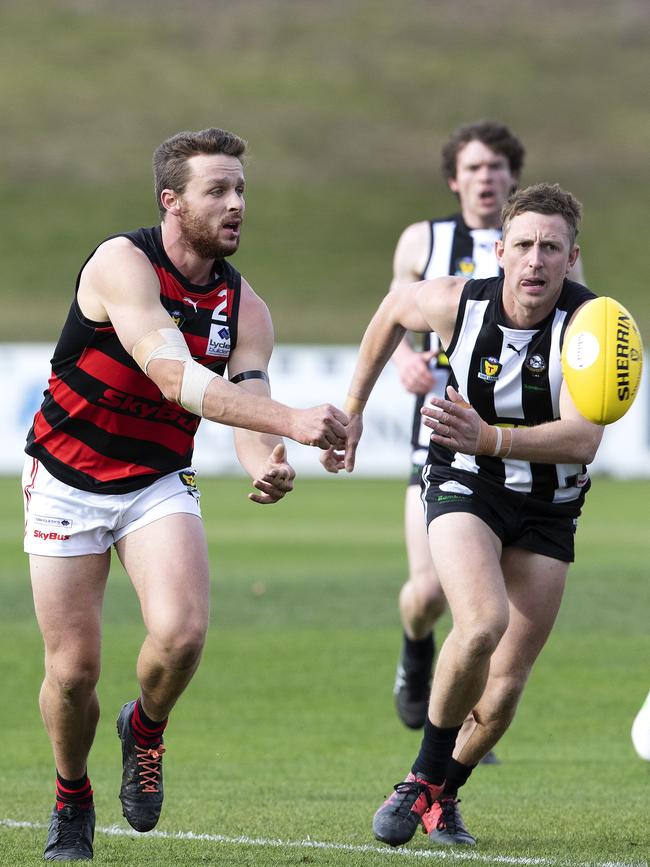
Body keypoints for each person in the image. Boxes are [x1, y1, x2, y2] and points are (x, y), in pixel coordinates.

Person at [22, 127, 348, 862]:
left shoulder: (246, 306)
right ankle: (71, 791)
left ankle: (145, 729)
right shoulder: (120, 263)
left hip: (155, 481)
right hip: (67, 475)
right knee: (72, 672)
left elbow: (244, 397)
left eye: (241, 191)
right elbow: (177, 378)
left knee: (183, 633)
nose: (236, 204)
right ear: (171, 202)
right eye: (218, 191)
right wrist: (293, 422)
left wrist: (267, 456)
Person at [322, 183, 603, 846]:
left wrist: (493, 436)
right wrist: (354, 408)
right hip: (464, 480)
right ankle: (421, 779)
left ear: (572, 257)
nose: (536, 261)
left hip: (549, 504)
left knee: (504, 687)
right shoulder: (459, 300)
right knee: (481, 623)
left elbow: (583, 437)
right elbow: (395, 306)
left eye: (551, 248)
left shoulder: (593, 329)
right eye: (525, 245)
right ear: (500, 251)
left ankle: (445, 794)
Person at [388, 121, 585, 736]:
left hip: (527, 465)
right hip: (447, 445)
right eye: (474, 168)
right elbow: (393, 313)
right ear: (454, 179)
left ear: (513, 180)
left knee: (488, 627)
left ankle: (462, 729)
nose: (486, 178)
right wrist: (406, 364)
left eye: (497, 168)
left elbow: (583, 336)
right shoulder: (425, 241)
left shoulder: (547, 247)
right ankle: (417, 653)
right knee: (428, 597)